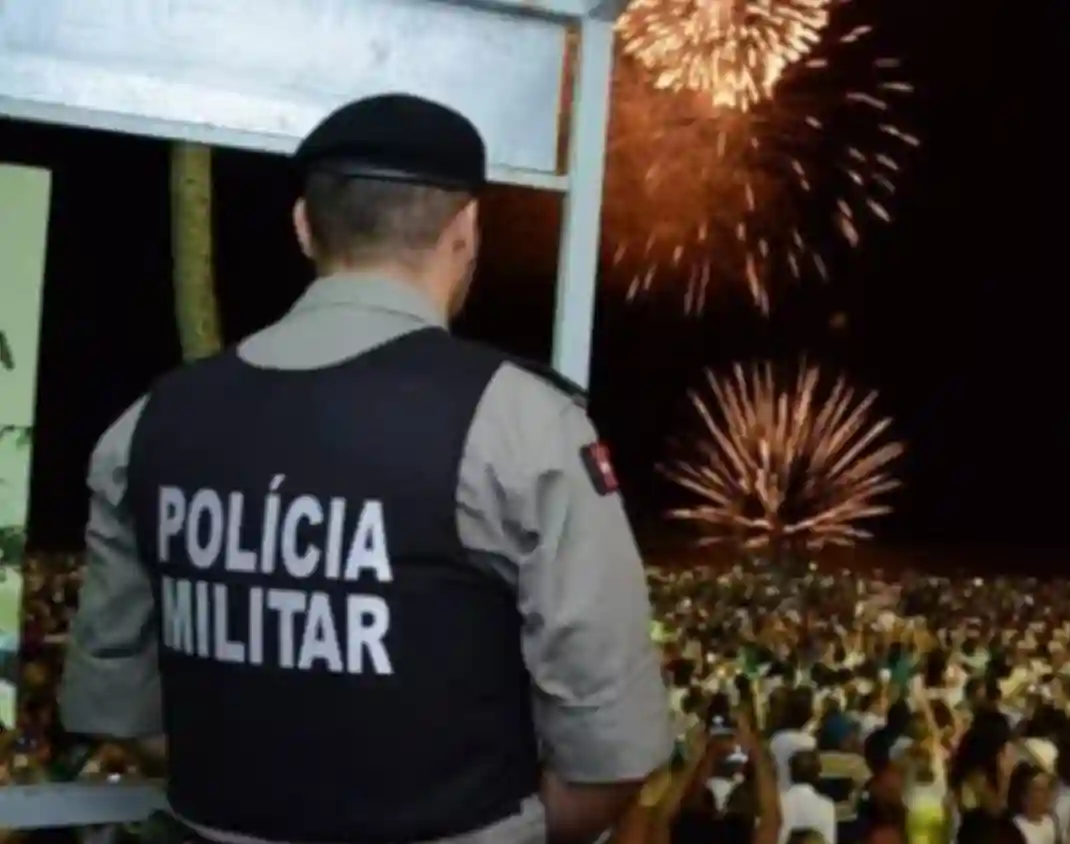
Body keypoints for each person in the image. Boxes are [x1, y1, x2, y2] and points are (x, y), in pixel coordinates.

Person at [58, 93, 671, 844]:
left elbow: (115, 702)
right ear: (466, 229)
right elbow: (609, 754)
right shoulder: (523, 424)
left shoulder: (150, 422)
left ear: (303, 225)